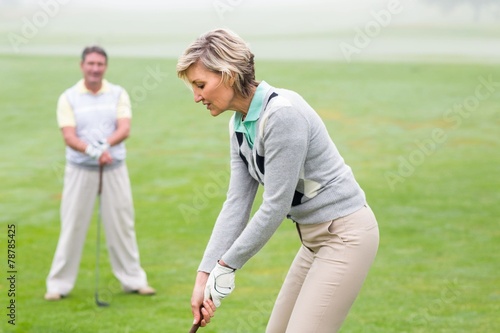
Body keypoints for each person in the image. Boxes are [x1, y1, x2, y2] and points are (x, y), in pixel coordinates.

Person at [176, 29, 380, 333]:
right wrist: (204, 276)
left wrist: (227, 266)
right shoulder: (239, 125)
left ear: (229, 75)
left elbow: (274, 205)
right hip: (312, 242)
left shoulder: (282, 116)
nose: (196, 97)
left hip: (345, 237)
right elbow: (237, 204)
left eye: (201, 85)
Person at [45, 46, 155, 301]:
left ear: (105, 67)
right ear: (82, 65)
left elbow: (124, 128)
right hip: (80, 170)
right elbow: (69, 136)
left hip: (114, 168)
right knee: (72, 225)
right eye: (91, 63)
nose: (95, 68)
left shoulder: (117, 93)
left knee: (122, 224)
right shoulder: (69, 97)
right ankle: (58, 285)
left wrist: (104, 146)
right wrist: (93, 152)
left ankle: (134, 280)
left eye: (100, 64)